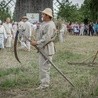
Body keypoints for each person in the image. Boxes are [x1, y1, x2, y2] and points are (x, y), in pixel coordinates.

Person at [31, 8, 56, 89]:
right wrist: (36, 41)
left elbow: (46, 38)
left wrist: (37, 43)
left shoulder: (50, 25)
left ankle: (44, 85)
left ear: (47, 16)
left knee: (44, 67)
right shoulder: (44, 23)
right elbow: (41, 35)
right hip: (43, 48)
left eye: (43, 14)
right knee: (42, 67)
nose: (42, 16)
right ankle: (44, 82)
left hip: (47, 48)